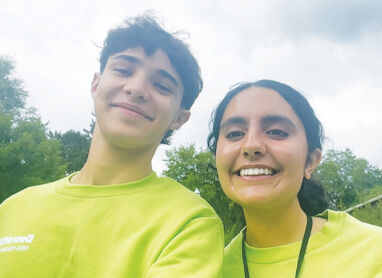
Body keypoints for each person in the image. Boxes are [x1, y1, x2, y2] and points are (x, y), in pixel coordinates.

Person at [0, 15, 224, 278]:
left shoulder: (190, 223)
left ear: (179, 118)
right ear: (96, 84)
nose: (137, 88)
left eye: (162, 86)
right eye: (124, 70)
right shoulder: (13, 208)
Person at [207, 79, 382, 277]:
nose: (251, 146)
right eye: (235, 133)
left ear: (310, 161)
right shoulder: (210, 271)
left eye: (276, 132)